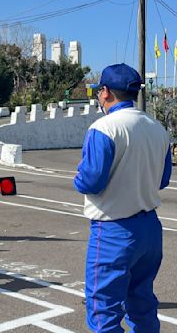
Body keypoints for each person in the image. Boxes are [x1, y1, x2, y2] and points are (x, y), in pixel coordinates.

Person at [74, 63, 172, 332]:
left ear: (105, 92)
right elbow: (162, 180)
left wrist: (78, 176)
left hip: (113, 229)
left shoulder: (103, 128)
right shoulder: (157, 128)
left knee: (103, 308)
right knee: (142, 303)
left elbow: (90, 181)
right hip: (150, 227)